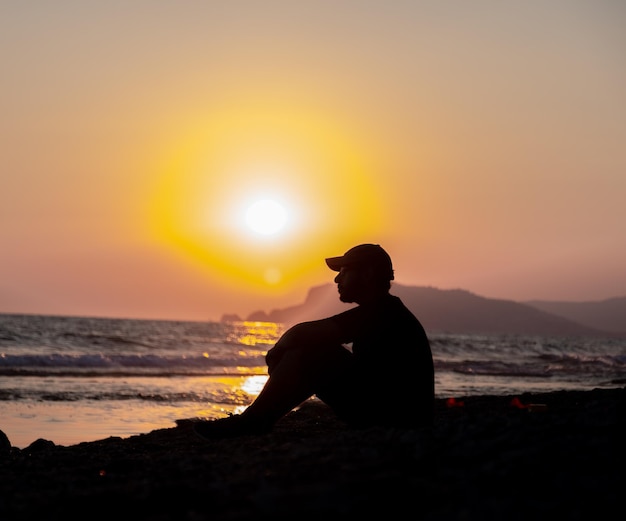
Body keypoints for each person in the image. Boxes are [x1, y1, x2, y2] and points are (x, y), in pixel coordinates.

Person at [193, 243, 434, 440]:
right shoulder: (384, 311)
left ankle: (254, 421)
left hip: (396, 420)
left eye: (344, 271)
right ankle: (258, 420)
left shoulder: (383, 312)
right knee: (312, 351)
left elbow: (302, 334)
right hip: (397, 414)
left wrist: (277, 351)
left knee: (311, 353)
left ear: (368, 274)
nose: (337, 280)